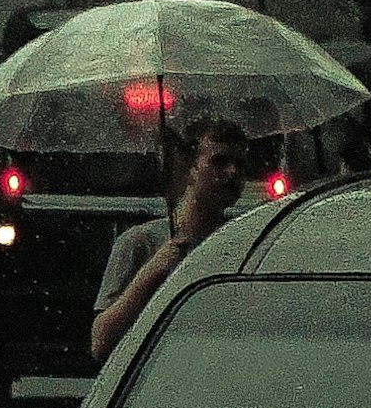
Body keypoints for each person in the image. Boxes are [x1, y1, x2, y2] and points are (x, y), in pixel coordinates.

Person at [86, 111, 256, 368]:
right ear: (190, 169)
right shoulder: (139, 243)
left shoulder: (244, 243)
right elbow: (101, 343)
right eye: (218, 161)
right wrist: (153, 271)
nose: (232, 173)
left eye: (241, 165)